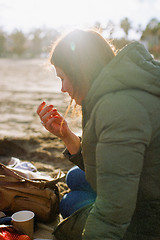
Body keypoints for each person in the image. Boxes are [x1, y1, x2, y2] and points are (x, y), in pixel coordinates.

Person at [37, 29, 160, 240]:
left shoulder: (118, 109)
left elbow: (113, 211)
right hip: (145, 183)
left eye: (63, 78)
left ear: (80, 71)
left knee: (69, 203)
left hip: (149, 216)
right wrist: (66, 135)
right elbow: (112, 161)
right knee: (74, 177)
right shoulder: (119, 85)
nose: (62, 88)